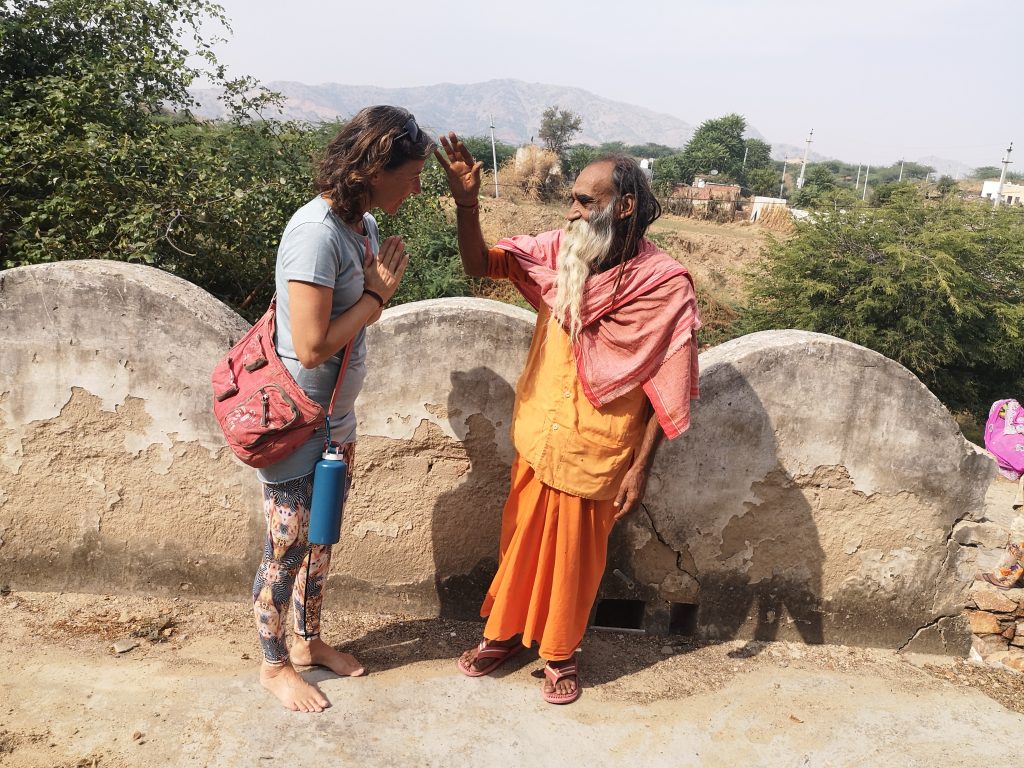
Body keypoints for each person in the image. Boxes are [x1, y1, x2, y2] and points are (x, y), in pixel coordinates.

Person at [434, 133, 701, 704]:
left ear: (623, 206)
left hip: (598, 446)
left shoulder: (665, 286)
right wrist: (466, 203)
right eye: (573, 199)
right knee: (519, 545)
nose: (572, 211)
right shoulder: (562, 252)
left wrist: (641, 469)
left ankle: (559, 653)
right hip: (539, 431)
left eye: (586, 201)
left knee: (576, 564)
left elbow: (665, 386)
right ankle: (503, 636)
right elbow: (481, 263)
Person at [252, 106, 432, 713]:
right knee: (285, 549)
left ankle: (308, 642)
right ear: (376, 166)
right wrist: (378, 295)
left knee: (320, 539)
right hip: (298, 423)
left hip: (334, 423)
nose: (416, 187)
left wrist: (375, 287)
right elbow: (311, 344)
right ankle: (274, 665)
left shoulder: (361, 227)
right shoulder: (316, 232)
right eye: (410, 173)